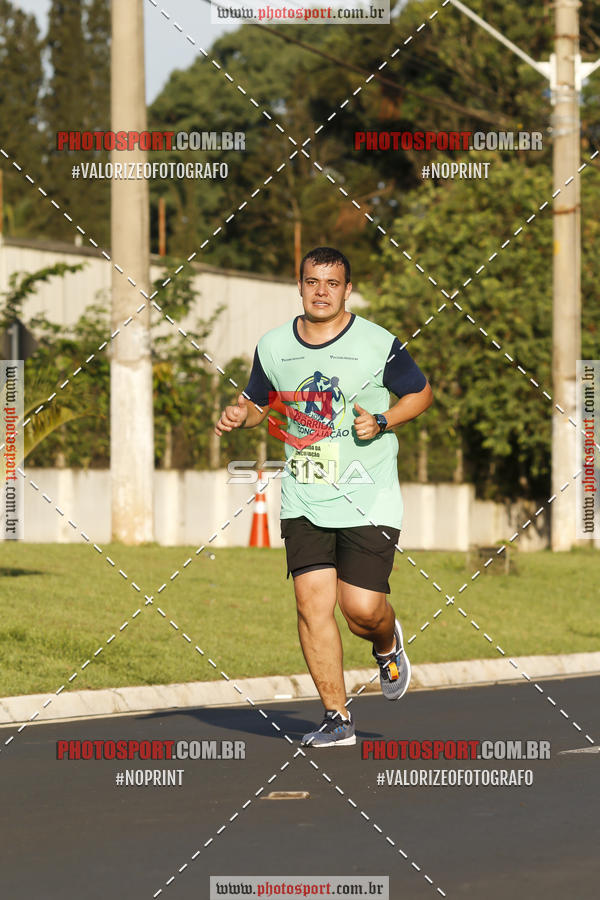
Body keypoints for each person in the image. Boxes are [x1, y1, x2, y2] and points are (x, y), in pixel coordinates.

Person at [215, 247, 433, 748]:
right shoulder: (273, 346)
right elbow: (257, 402)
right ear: (299, 285)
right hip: (304, 495)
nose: (320, 291)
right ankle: (337, 718)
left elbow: (421, 394)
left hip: (367, 494)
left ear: (347, 289)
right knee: (312, 603)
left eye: (331, 283)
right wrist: (238, 415)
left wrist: (383, 420)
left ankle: (386, 642)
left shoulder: (378, 343)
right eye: (312, 281)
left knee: (360, 609)